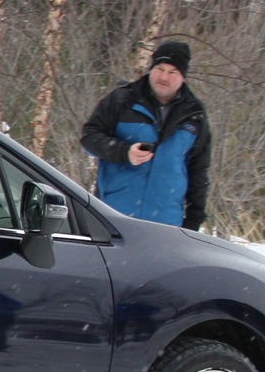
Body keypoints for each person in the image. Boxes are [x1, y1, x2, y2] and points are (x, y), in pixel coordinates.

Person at [80, 39, 211, 229]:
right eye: (160, 68)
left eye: (172, 72)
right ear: (151, 69)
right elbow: (89, 137)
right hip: (114, 217)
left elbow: (199, 170)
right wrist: (123, 152)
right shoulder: (123, 99)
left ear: (183, 77)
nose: (163, 77)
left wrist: (194, 219)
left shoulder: (195, 114)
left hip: (166, 225)